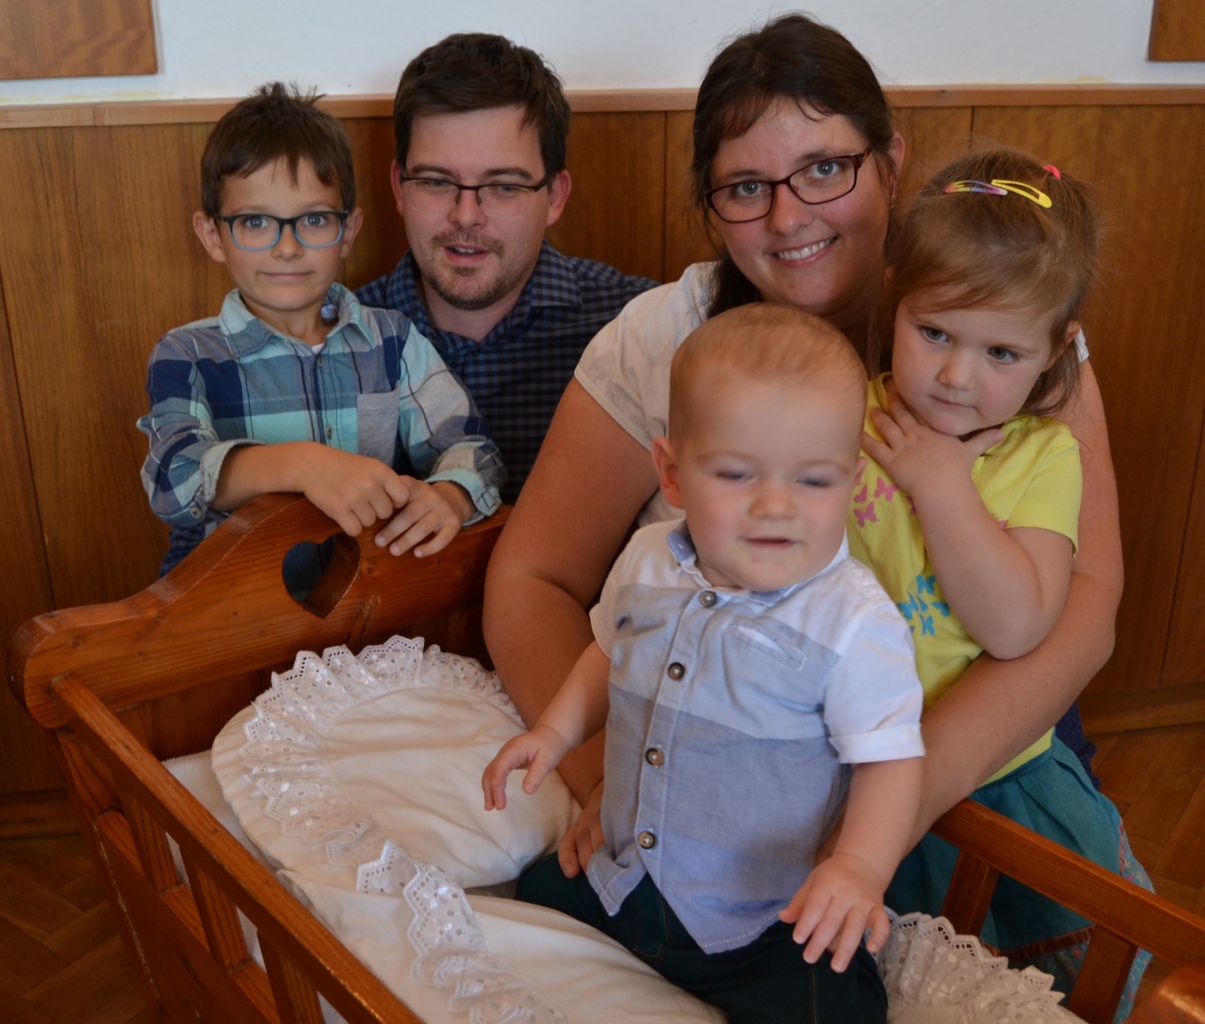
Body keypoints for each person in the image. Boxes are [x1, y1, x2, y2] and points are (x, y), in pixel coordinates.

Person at [484, 7, 1122, 955]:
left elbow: (1084, 598)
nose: (789, 218)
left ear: (890, 163)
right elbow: (532, 576)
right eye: (745, 187)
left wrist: (890, 806)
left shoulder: (1004, 326)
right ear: (709, 205)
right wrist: (607, 778)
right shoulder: (663, 338)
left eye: (825, 168)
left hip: (985, 751)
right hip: (747, 784)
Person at [483, 305, 924, 1024]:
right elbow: (606, 655)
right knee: (523, 910)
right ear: (672, 473)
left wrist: (858, 867)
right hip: (624, 875)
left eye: (815, 481)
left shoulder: (851, 621)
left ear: (852, 478)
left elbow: (890, 761)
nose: (775, 506)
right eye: (737, 474)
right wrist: (554, 734)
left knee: (832, 1002)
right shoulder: (648, 558)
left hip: (763, 920)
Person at [848, 149, 1147, 1002]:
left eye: (1001, 353)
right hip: (850, 760)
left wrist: (943, 489)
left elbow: (1016, 627)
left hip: (998, 781)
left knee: (1039, 987)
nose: (955, 375)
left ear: (1057, 351)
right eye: (934, 333)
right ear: (895, 297)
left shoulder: (1044, 456)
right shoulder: (852, 412)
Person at [139, 83, 503, 575]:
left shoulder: (392, 341)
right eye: (255, 223)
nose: (287, 248)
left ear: (348, 231)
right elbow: (172, 480)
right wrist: (302, 464)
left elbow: (472, 448)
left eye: (313, 219)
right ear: (213, 235)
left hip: (369, 596)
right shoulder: (188, 354)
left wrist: (451, 496)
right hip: (226, 603)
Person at [356, 33, 658, 501]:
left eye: (504, 186)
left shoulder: (638, 327)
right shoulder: (335, 336)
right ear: (399, 187)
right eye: (436, 182)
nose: (466, 216)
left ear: (554, 196)